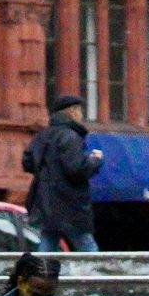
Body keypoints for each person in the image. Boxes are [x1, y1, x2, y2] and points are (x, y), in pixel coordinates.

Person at [21, 94, 101, 253]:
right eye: (79, 110)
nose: (81, 115)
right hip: (69, 204)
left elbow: (27, 162)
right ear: (72, 112)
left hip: (45, 203)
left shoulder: (42, 136)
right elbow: (76, 169)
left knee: (48, 244)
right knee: (87, 247)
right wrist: (95, 160)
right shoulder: (70, 137)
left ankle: (40, 275)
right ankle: (97, 277)